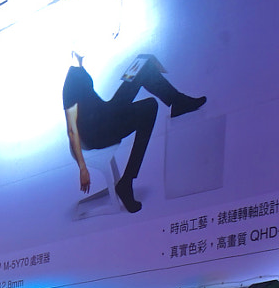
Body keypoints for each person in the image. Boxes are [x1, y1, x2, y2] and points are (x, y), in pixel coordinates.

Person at [64, 52, 205, 214]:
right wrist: (82, 167)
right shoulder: (70, 82)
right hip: (96, 133)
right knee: (149, 107)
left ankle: (178, 102)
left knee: (142, 64)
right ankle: (126, 181)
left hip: (105, 114)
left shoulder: (79, 69)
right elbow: (72, 129)